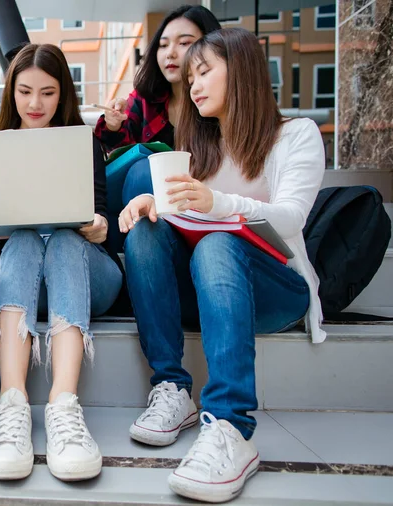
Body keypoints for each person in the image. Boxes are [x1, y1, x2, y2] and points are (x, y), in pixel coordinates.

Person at [119, 28, 325, 503]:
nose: (193, 84)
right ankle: (172, 387)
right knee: (147, 228)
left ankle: (232, 426)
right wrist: (155, 203)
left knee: (216, 241)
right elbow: (187, 218)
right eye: (190, 76)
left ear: (243, 69)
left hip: (278, 288)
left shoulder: (296, 135)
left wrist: (218, 203)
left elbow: (292, 216)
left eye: (205, 69)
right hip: (212, 287)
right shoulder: (202, 149)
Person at [0, 44, 122, 483]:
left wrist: (100, 227)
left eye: (47, 92)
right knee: (20, 239)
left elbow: (104, 222)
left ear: (64, 95)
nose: (35, 104)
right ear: (11, 93)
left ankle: (64, 404)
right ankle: (13, 403)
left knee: (62, 239)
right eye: (24, 91)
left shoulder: (83, 142)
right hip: (25, 280)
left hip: (84, 272)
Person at [95, 5, 221, 206]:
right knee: (142, 169)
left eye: (184, 42)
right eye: (163, 45)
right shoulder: (145, 99)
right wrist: (113, 124)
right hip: (147, 206)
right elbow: (121, 156)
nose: (170, 53)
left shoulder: (220, 101)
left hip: (205, 204)